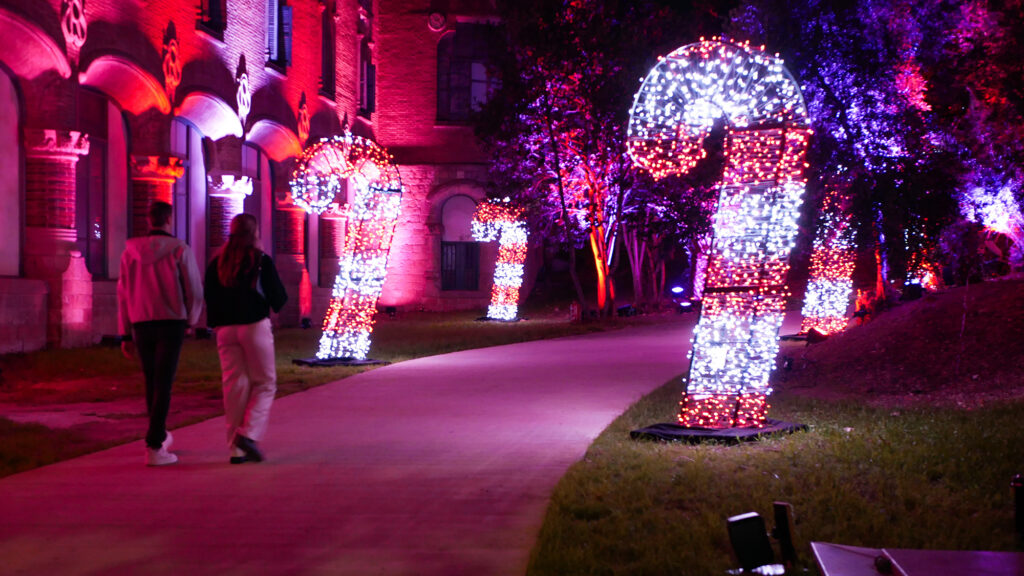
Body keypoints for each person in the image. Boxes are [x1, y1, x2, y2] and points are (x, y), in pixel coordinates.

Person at [117, 201, 204, 466]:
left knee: (151, 380)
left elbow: (122, 294)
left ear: (148, 220)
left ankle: (159, 434)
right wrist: (192, 319)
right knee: (164, 382)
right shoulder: (179, 249)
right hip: (171, 322)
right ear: (169, 220)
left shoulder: (129, 253)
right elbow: (193, 289)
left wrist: (124, 332)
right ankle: (154, 444)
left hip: (141, 322)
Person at [204, 213, 287, 464]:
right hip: (253, 326)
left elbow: (210, 296)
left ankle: (235, 449)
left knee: (234, 386)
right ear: (255, 233)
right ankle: (248, 435)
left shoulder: (217, 263)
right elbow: (279, 299)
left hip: (225, 330)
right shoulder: (260, 261)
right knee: (265, 383)